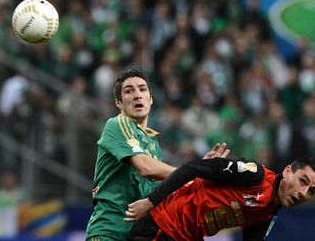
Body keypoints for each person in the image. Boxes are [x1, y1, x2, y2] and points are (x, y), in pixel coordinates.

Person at [85, 68, 230, 240]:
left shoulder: (152, 143)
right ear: (119, 103)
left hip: (139, 235)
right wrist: (193, 171)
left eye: (142, 89)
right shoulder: (117, 124)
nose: (137, 95)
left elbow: (164, 191)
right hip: (109, 233)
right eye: (129, 91)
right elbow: (145, 167)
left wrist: (201, 171)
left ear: (151, 99)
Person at [125, 157, 315, 240]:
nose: (303, 192)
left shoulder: (268, 213)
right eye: (303, 181)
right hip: (163, 226)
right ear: (288, 171)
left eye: (311, 191)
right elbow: (193, 168)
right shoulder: (255, 175)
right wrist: (151, 201)